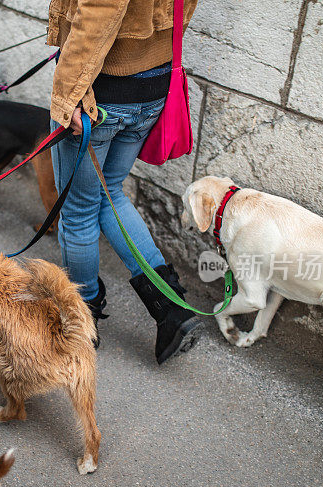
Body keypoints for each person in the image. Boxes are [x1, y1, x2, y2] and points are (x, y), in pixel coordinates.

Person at [47, 0, 200, 363]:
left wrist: (67, 95)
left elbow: (100, 10)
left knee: (79, 210)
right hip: (154, 87)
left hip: (100, 95)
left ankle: (79, 321)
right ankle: (170, 305)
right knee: (109, 194)